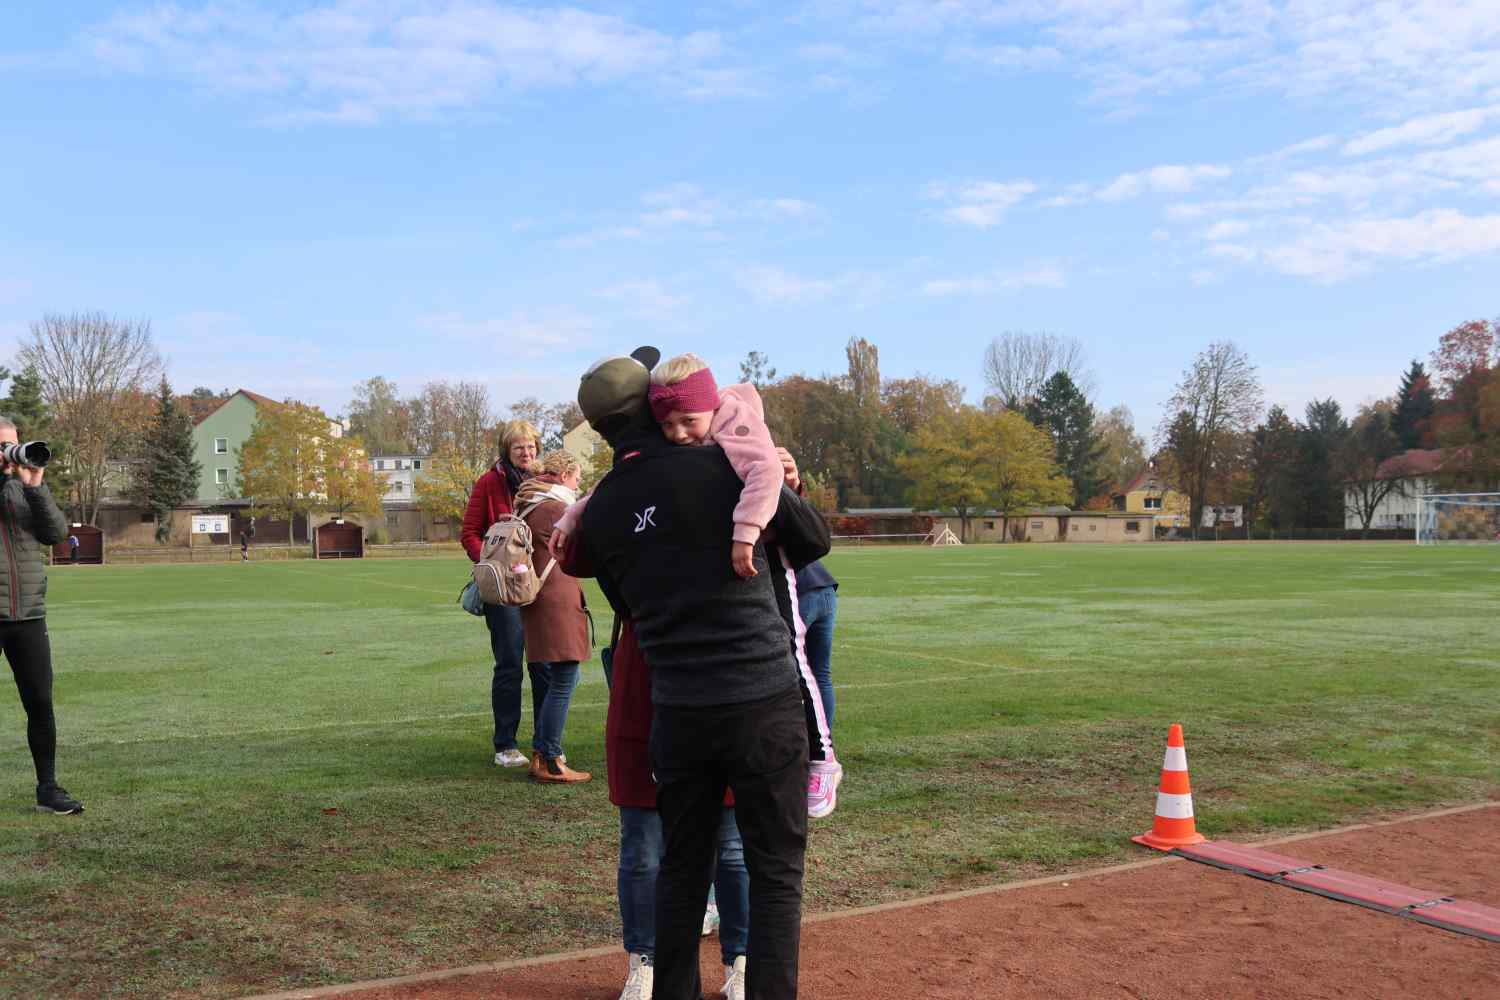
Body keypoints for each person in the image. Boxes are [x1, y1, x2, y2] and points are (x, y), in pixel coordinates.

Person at [559, 349, 831, 1000]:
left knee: (682, 867)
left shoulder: (599, 510)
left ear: (600, 431)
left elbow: (625, 605)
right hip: (761, 700)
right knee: (774, 872)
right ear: (657, 407)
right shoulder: (730, 464)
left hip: (677, 712)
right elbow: (812, 541)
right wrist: (781, 474)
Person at [557, 356, 843, 818]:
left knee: (663, 841)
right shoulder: (713, 467)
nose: (679, 431)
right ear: (652, 411)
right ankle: (820, 757)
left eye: (687, 420)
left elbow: (578, 559)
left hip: (664, 675)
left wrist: (776, 482)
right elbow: (812, 539)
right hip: (733, 677)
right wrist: (781, 486)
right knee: (733, 838)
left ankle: (821, 757)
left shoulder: (621, 492)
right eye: (669, 421)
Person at [0, 416, 82, 815]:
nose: (9, 452)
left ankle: (48, 788)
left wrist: (35, 486)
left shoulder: (24, 487)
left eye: (12, 444)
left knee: (40, 702)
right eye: (2, 446)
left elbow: (55, 533)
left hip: (27, 613)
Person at [460, 419, 539, 768]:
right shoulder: (489, 483)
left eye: (532, 446)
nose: (527, 452)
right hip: (502, 590)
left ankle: (546, 742)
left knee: (545, 665)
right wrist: (492, 563)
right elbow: (470, 532)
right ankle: (505, 744)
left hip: (536, 585)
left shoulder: (543, 484)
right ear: (506, 450)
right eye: (519, 446)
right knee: (509, 664)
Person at [511, 450, 592, 784]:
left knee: (559, 677)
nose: (577, 484)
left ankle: (542, 754)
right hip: (557, 598)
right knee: (565, 677)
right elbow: (583, 549)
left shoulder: (527, 502)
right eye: (576, 478)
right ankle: (550, 758)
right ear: (563, 475)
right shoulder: (555, 506)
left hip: (538, 598)